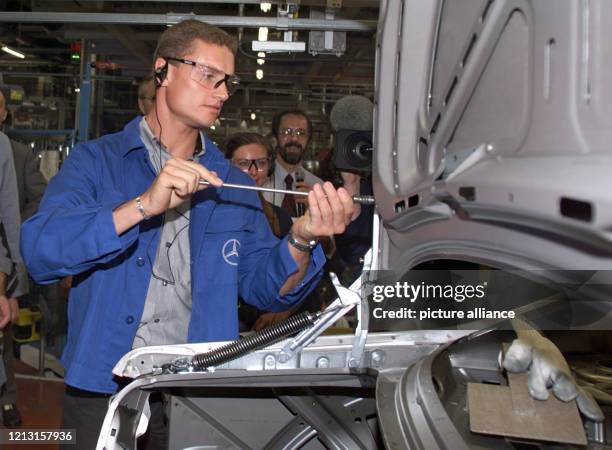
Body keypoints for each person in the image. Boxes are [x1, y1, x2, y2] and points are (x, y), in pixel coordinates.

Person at [21, 20, 354, 449]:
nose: (222, 92)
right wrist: (141, 205)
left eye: (227, 82)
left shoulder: (231, 184)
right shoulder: (97, 162)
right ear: (163, 69)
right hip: (102, 388)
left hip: (197, 392)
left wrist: (302, 239)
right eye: (207, 75)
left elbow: (264, 290)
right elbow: (41, 251)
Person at [0, 87, 47, 428]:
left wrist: (11, 279)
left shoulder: (15, 153)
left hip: (5, 259)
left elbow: (35, 201)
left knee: (4, 340)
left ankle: (7, 401)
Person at [263, 109, 324, 217]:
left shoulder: (319, 187)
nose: (294, 138)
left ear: (308, 140)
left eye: (301, 133)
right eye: (287, 132)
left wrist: (315, 210)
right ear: (275, 138)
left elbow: (328, 232)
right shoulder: (259, 182)